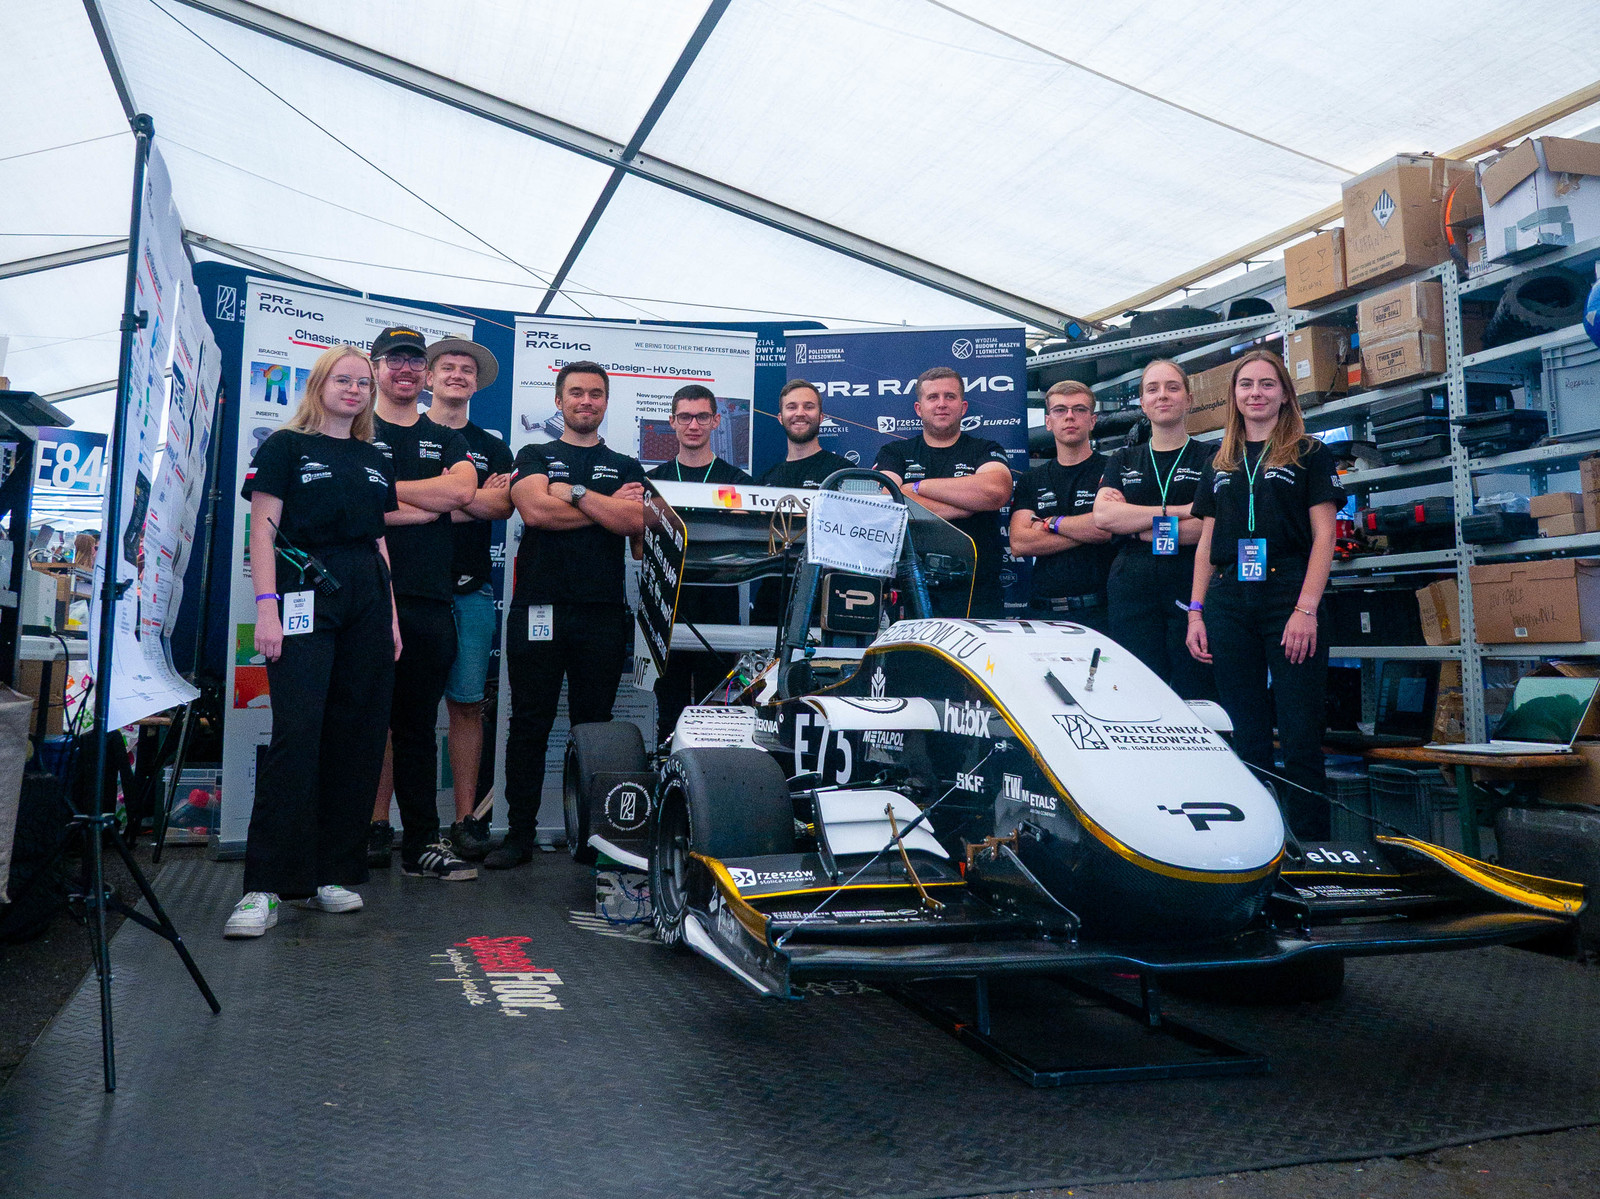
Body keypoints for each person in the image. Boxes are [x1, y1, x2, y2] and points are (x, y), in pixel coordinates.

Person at [225, 344, 402, 937]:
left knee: (357, 736)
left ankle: (332, 872)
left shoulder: (374, 456)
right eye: (343, 380)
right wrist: (267, 608)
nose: (354, 390)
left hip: (367, 595)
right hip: (304, 591)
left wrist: (391, 617)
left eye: (363, 383)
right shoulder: (284, 446)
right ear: (320, 384)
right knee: (297, 733)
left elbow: (378, 541)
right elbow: (262, 532)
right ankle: (264, 886)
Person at [491, 361, 645, 869]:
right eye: (576, 393)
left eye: (596, 394)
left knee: (594, 729)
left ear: (606, 402)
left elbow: (634, 522)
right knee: (529, 723)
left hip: (601, 613)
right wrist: (604, 510)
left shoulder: (625, 464)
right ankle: (519, 835)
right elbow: (535, 512)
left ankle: (594, 839)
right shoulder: (534, 454)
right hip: (539, 607)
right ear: (559, 402)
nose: (586, 401)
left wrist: (574, 493)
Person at [1185, 350, 1343, 838]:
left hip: (1289, 595)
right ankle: (1256, 844)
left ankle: (1313, 852)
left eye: (1267, 384)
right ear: (1234, 396)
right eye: (1246, 385)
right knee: (1246, 735)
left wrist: (1306, 609)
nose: (1256, 393)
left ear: (1285, 394)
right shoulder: (1219, 460)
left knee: (1299, 736)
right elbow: (1207, 542)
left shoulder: (1309, 453)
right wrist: (1196, 612)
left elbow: (1326, 536)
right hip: (1229, 600)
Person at [365, 326, 479, 881]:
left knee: (415, 728)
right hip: (368, 599)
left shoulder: (445, 437)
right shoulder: (357, 429)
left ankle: (421, 845)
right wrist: (426, 500)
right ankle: (348, 837)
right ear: (375, 367)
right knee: (359, 722)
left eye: (414, 361)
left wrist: (384, 490)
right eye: (395, 360)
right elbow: (357, 503)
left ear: (425, 373)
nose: (405, 369)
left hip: (431, 601)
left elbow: (461, 493)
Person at [422, 337, 513, 862]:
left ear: (476, 384)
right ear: (429, 377)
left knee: (467, 705)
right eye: (448, 367)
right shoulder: (401, 433)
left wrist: (437, 498)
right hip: (410, 590)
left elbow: (501, 507)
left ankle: (465, 822)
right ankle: (378, 823)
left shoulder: (492, 447)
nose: (457, 374)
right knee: (396, 710)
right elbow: (385, 500)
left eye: (467, 370)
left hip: (472, 590)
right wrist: (467, 498)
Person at [1093, 359, 1215, 699]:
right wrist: (1179, 511)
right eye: (1153, 389)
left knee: (1197, 691)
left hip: (1190, 583)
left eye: (1172, 388)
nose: (1162, 395)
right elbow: (1103, 516)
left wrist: (1135, 528)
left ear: (1188, 400)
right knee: (1138, 694)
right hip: (1131, 589)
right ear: (1143, 404)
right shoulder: (1122, 459)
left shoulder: (1211, 456)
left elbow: (1208, 527)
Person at [647, 384, 752, 743]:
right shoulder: (654, 481)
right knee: (669, 718)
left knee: (717, 718)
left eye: (702, 417)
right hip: (666, 608)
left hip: (719, 610)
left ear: (716, 421)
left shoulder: (737, 481)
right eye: (685, 417)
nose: (693, 425)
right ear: (672, 421)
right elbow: (638, 546)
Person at [872, 367, 1013, 618]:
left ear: (963, 406)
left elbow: (995, 491)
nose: (941, 404)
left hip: (976, 592)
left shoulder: (985, 449)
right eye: (932, 397)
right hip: (911, 589)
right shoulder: (895, 452)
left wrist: (917, 487)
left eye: (950, 396)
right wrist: (966, 505)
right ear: (919, 408)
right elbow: (888, 503)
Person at [1009, 381, 1116, 630]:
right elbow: (1020, 543)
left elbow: (1107, 528)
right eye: (1060, 410)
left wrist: (1051, 523)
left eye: (1079, 409)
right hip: (1042, 612)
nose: (1069, 416)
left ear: (1092, 420)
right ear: (1048, 422)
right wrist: (1086, 528)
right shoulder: (1032, 479)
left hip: (1100, 610)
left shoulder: (1113, 468)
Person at [760, 379, 853, 489]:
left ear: (821, 417)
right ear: (780, 418)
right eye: (791, 407)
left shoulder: (843, 472)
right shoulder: (766, 481)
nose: (800, 413)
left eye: (808, 407)